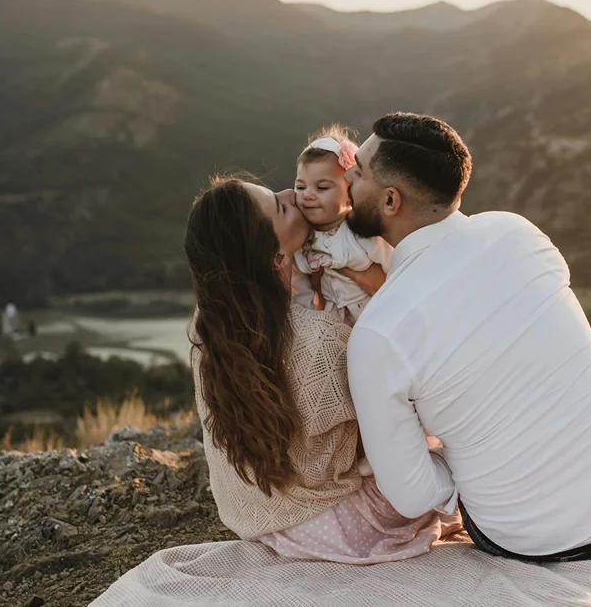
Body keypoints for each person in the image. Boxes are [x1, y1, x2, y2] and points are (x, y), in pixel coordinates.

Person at [344, 112, 591, 561]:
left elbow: (411, 495)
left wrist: (476, 473)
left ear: (390, 202)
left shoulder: (377, 333)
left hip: (515, 541)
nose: (347, 172)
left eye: (358, 169)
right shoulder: (516, 231)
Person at [183, 172, 459, 565]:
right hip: (336, 524)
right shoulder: (322, 342)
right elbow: (390, 438)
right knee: (462, 455)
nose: (291, 196)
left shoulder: (210, 326)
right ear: (277, 258)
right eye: (280, 207)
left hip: (255, 515)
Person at [292, 125, 393, 325]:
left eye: (322, 187)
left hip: (375, 312)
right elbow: (299, 288)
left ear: (350, 194)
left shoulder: (362, 231)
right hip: (332, 318)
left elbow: (396, 265)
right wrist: (313, 321)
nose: (307, 195)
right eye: (300, 187)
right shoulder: (301, 237)